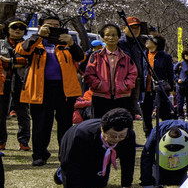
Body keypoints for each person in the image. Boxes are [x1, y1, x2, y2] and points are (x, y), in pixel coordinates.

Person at [17, 13, 84, 166]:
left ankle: (65, 154)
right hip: (40, 88)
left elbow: (80, 58)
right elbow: (21, 50)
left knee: (65, 123)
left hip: (64, 89)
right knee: (41, 123)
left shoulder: (66, 43)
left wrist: (72, 44)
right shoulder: (36, 43)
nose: (53, 28)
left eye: (56, 25)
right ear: (40, 26)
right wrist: (38, 36)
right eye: (49, 25)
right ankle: (39, 154)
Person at [54, 107, 136, 188]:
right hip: (78, 152)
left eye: (121, 136)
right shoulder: (81, 135)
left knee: (98, 185)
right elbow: (70, 163)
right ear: (102, 129)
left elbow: (128, 160)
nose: (117, 139)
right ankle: (60, 174)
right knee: (79, 183)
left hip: (100, 152)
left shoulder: (129, 135)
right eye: (113, 136)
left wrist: (126, 185)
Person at [83, 22, 139, 118]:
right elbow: (89, 74)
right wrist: (99, 85)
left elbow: (133, 74)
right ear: (103, 37)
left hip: (122, 97)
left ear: (118, 37)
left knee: (120, 125)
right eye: (107, 35)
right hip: (100, 97)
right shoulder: (96, 56)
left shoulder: (126, 57)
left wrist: (124, 85)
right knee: (100, 125)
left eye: (114, 35)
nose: (111, 38)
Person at [140, 119, 188, 188]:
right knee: (158, 180)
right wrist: (147, 185)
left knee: (178, 181)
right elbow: (147, 155)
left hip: (181, 162)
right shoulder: (157, 131)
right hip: (160, 162)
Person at [1, 19, 31, 152]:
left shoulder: (27, 44)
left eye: (21, 28)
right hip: (3, 82)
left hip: (22, 81)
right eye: (14, 27)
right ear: (7, 29)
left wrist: (9, 61)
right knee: (1, 113)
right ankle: (1, 142)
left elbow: (29, 60)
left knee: (23, 112)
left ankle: (24, 142)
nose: (18, 30)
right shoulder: (1, 43)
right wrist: (17, 63)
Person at [141, 33, 175, 136]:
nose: (147, 41)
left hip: (160, 90)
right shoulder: (143, 54)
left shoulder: (165, 57)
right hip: (145, 89)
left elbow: (170, 74)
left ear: (156, 43)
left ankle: (167, 134)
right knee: (146, 115)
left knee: (164, 114)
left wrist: (171, 89)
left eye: (149, 40)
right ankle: (149, 136)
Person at [118, 16, 147, 117]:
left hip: (137, 83)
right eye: (131, 27)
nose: (134, 30)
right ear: (124, 28)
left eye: (137, 28)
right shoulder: (120, 43)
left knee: (131, 113)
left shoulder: (140, 43)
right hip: (123, 84)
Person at [174, 48, 188, 119]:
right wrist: (177, 79)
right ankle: (180, 115)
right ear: (184, 55)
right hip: (181, 86)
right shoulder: (180, 63)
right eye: (186, 54)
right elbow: (173, 72)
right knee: (180, 102)